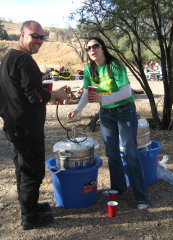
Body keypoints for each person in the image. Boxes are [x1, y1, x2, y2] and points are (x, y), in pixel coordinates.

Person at [0, 20, 67, 230]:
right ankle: (30, 218)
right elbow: (34, 95)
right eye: (34, 36)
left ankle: (30, 208)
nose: (39, 41)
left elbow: (26, 91)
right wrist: (55, 94)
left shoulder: (10, 57)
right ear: (22, 35)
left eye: (41, 37)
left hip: (15, 125)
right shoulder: (23, 59)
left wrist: (44, 93)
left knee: (22, 169)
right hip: (26, 127)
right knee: (32, 171)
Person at [67, 37, 149, 210]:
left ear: (102, 48)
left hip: (125, 111)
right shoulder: (90, 69)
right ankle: (118, 188)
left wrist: (103, 99)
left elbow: (126, 91)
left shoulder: (115, 65)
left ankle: (141, 196)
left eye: (95, 46)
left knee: (130, 153)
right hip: (106, 114)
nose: (92, 50)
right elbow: (88, 92)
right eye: (88, 48)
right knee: (111, 153)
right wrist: (78, 110)